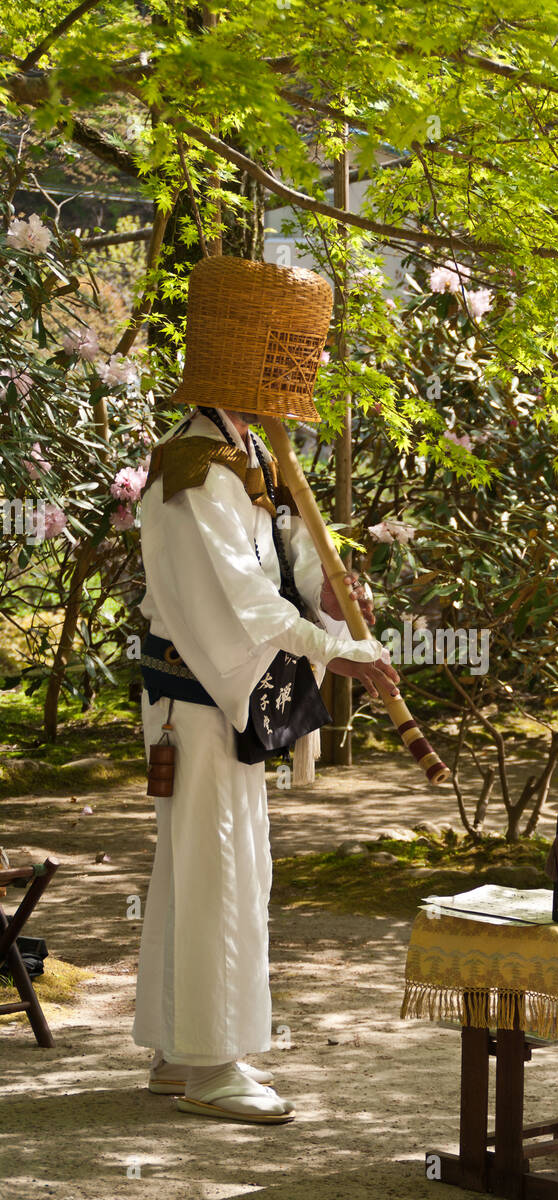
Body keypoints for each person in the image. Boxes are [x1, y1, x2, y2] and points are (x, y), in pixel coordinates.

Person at [132, 258, 399, 1123]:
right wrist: (336, 651)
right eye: (284, 352)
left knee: (211, 865)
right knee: (216, 868)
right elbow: (242, 603)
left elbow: (289, 561)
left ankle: (178, 1049)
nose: (295, 370)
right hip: (198, 696)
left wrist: (332, 595)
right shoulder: (193, 467)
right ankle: (213, 1065)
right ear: (250, 357)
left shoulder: (250, 453)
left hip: (223, 694)